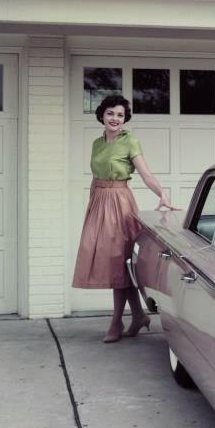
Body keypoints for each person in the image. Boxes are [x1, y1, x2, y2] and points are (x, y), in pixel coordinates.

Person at [72, 94, 176, 343]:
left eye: (120, 114)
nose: (115, 118)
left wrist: (162, 194)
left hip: (119, 202)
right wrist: (91, 205)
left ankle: (117, 322)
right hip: (99, 201)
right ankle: (138, 315)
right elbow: (95, 177)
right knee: (116, 266)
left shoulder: (130, 142)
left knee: (120, 262)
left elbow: (146, 174)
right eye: (110, 113)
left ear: (125, 118)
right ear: (102, 116)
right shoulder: (97, 144)